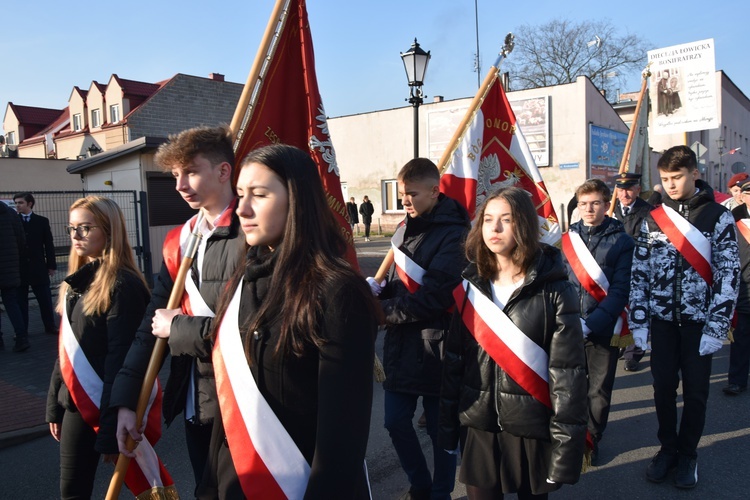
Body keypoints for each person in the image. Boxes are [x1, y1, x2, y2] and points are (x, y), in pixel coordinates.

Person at [198, 144, 378, 498]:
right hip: (236, 482)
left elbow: (341, 440)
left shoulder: (338, 291)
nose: (243, 209)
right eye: (239, 195)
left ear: (297, 200)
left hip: (298, 486)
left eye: (259, 195)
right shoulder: (240, 283)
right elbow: (229, 406)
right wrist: (209, 486)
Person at [111, 125, 243, 490]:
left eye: (190, 172)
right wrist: (125, 401)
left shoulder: (255, 234)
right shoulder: (178, 241)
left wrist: (179, 327)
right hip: (196, 402)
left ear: (223, 171)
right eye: (174, 175)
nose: (180, 185)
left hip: (245, 401)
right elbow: (148, 328)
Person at [440, 187, 587, 500]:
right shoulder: (470, 288)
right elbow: (454, 362)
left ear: (524, 225)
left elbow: (568, 376)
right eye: (488, 220)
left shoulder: (556, 291)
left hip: (530, 429)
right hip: (479, 425)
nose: (494, 229)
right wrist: (448, 429)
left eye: (505, 220)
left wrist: (565, 449)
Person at [629, 145, 739, 489]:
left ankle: (688, 453)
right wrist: (639, 319)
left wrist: (717, 325)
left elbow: (728, 274)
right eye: (665, 179)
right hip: (662, 321)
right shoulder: (653, 219)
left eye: (677, 177)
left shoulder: (717, 216)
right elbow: (640, 272)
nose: (671, 184)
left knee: (695, 393)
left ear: (694, 173)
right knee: (662, 388)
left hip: (698, 324)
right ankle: (667, 448)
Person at [367, 158, 469, 500]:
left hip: (437, 346)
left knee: (442, 433)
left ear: (434, 191)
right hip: (402, 345)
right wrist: (380, 289)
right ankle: (420, 483)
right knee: (395, 422)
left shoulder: (455, 234)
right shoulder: (403, 227)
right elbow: (403, 282)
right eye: (401, 194)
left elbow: (437, 296)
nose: (405, 201)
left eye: (411, 194)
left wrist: (383, 312)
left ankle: (439, 491)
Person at [46, 196, 151, 499]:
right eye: (72, 228)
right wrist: (54, 404)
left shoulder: (123, 286)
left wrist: (108, 429)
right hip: (73, 403)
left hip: (99, 405)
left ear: (109, 230)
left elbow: (120, 360)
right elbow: (67, 352)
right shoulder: (76, 283)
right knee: (72, 491)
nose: (76, 235)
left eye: (85, 228)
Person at [561, 179, 634, 465]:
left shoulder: (623, 241)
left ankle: (592, 439)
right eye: (583, 204)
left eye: (594, 203)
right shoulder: (567, 239)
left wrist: (590, 324)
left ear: (606, 205)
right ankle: (571, 437)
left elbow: (620, 291)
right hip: (568, 326)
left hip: (604, 329)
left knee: (599, 390)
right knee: (570, 387)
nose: (588, 209)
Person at [612, 172, 653, 372]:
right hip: (615, 268)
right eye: (620, 189)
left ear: (638, 189)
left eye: (629, 188)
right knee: (619, 309)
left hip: (638, 267)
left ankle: (633, 353)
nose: (624, 193)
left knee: (637, 310)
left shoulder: (649, 211)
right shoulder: (610, 210)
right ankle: (621, 343)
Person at [14, 192, 58, 337]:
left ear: (30, 204)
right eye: (16, 203)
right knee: (21, 302)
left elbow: (48, 245)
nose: (17, 205)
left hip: (38, 268)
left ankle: (50, 326)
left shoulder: (41, 221)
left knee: (45, 299)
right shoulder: (14, 221)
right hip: (20, 269)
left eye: (20, 202)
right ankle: (22, 330)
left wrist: (51, 265)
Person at [725, 177, 750, 396]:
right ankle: (737, 380)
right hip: (743, 285)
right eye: (748, 194)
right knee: (741, 336)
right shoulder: (733, 218)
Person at [0, 201, 28, 352]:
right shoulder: (11, 213)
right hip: (10, 267)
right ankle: (22, 337)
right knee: (12, 303)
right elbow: (21, 239)